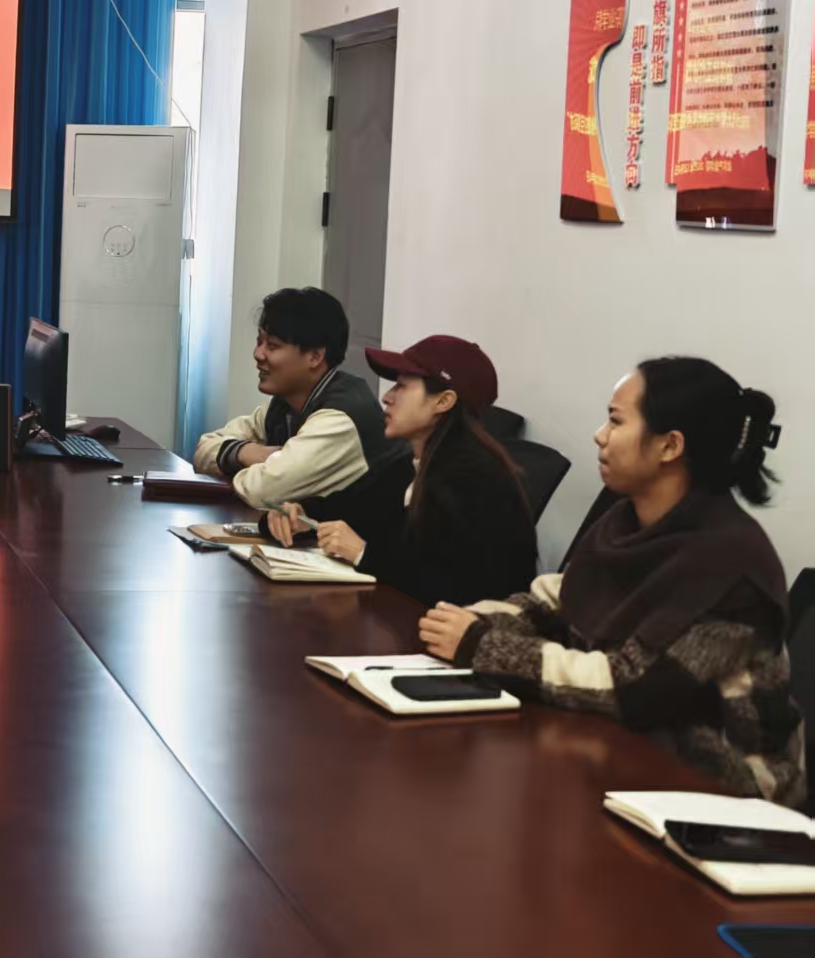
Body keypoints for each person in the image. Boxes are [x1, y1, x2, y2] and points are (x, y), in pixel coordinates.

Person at [420, 357, 804, 806]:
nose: (600, 435)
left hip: (726, 794)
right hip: (625, 753)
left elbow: (632, 687)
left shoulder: (730, 565)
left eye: (616, 421)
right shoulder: (628, 520)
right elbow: (553, 601)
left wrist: (480, 644)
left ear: (669, 445)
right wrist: (466, 621)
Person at [267, 336, 538, 606]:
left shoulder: (475, 480)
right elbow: (346, 510)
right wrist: (297, 515)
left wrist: (363, 554)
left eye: (402, 387)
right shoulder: (409, 466)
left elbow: (460, 588)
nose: (387, 397)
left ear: (443, 401)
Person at [194, 287, 413, 529]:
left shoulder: (340, 418)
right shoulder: (285, 403)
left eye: (272, 346)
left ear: (315, 357)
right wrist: (249, 452)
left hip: (366, 549)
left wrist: (235, 465)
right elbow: (204, 448)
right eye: (259, 342)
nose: (258, 354)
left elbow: (261, 492)